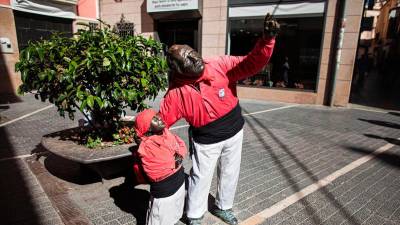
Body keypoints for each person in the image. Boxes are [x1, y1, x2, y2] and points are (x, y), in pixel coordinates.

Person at [158, 13, 280, 225]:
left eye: (192, 52)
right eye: (186, 57)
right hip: (206, 141)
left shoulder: (218, 64)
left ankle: (223, 207)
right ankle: (195, 215)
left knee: (230, 172)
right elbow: (161, 125)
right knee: (200, 177)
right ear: (177, 68)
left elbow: (252, 63)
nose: (194, 57)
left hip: (234, 131)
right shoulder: (175, 94)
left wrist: (267, 40)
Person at [132, 109, 187, 225]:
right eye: (155, 119)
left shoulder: (166, 132)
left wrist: (179, 155)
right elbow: (157, 170)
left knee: (174, 214)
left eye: (158, 116)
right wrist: (176, 158)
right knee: (159, 219)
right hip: (165, 192)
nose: (160, 119)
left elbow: (182, 144)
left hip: (179, 183)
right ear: (147, 127)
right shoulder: (146, 146)